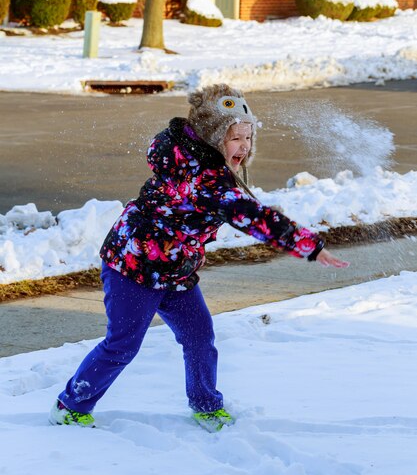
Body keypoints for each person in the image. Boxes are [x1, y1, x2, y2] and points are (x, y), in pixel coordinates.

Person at [49, 84, 349, 432]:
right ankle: (70, 405)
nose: (245, 146)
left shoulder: (190, 154)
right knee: (122, 345)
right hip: (134, 266)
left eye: (248, 138)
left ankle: (206, 405)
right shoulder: (206, 181)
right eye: (236, 138)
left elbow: (205, 211)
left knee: (199, 336)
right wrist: (308, 244)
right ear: (213, 135)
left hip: (176, 268)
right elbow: (254, 217)